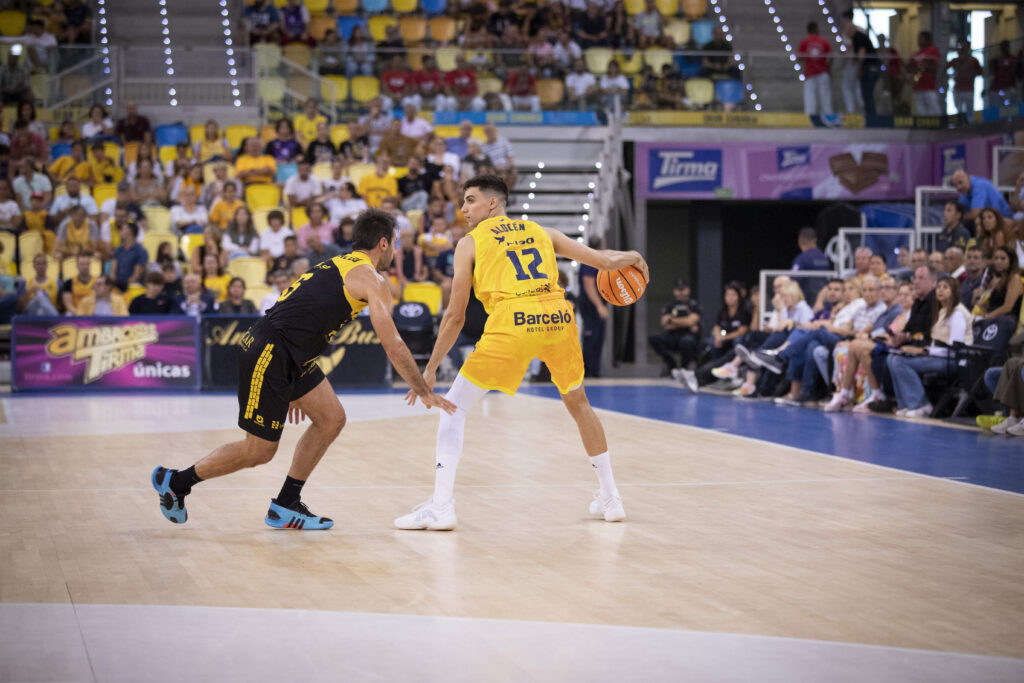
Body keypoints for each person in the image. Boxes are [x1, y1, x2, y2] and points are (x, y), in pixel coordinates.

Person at [153, 209, 456, 528]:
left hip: (290, 354)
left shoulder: (337, 263)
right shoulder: (371, 277)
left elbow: (302, 313)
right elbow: (392, 342)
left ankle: (285, 504)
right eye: (394, 244)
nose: (394, 252)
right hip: (270, 351)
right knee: (258, 451)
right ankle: (176, 483)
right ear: (383, 243)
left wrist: (292, 380)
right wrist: (424, 389)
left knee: (331, 418)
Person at [394, 175, 649, 530]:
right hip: (559, 318)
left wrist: (431, 368)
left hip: (514, 321)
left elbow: (455, 315)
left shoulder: (470, 243)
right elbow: (604, 263)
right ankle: (610, 497)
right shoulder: (543, 232)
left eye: (470, 200)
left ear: (492, 203)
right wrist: (633, 255)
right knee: (580, 405)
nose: (464, 209)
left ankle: (441, 506)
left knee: (453, 409)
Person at [887, 277, 972, 417]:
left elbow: (954, 347)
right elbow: (937, 342)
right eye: (939, 287)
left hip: (953, 360)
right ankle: (905, 404)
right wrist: (922, 351)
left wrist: (923, 351)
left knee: (899, 362)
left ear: (954, 291)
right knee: (892, 358)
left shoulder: (957, 313)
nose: (940, 290)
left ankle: (921, 404)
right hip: (939, 356)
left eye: (945, 287)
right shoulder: (942, 311)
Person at [577, 237, 608, 377]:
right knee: (592, 338)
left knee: (597, 338)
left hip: (592, 305)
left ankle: (594, 371)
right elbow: (588, 284)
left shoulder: (593, 259)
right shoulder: (591, 260)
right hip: (590, 306)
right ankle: (589, 371)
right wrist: (599, 305)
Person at [842, 12, 879, 116]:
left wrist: (859, 69)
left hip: (870, 67)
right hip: (872, 67)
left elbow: (861, 54)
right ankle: (869, 115)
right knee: (866, 93)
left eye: (846, 31)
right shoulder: (859, 37)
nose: (846, 34)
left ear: (851, 29)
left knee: (867, 93)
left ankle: (871, 118)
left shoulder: (857, 37)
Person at [975, 246, 1022, 321]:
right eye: (996, 258)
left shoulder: (1015, 279)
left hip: (1007, 321)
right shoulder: (997, 280)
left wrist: (986, 317)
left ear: (1011, 261)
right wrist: (979, 301)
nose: (998, 261)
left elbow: (1007, 308)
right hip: (993, 318)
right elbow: (990, 307)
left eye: (1003, 259)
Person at [798, 22, 833, 116]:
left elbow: (799, 57)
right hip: (823, 72)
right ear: (817, 29)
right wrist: (827, 67)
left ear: (808, 30)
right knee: (825, 97)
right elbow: (830, 57)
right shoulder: (824, 41)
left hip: (810, 73)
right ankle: (828, 117)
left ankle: (810, 118)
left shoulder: (804, 42)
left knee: (810, 98)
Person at [908, 31, 941, 116]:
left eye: (921, 38)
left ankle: (937, 127)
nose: (919, 40)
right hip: (917, 86)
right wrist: (916, 67)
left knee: (933, 109)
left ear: (927, 39)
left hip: (929, 86)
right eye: (918, 38)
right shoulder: (915, 54)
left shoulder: (932, 50)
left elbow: (934, 65)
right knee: (921, 111)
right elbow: (910, 67)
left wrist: (923, 66)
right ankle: (925, 129)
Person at [110, 221, 148, 291]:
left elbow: (136, 275)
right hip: (117, 286)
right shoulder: (118, 250)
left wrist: (124, 287)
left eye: (123, 229)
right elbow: (113, 271)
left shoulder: (140, 251)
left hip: (133, 287)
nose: (120, 231)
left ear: (129, 231)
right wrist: (114, 285)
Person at [18, 252, 59, 316]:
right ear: (34, 266)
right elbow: (20, 308)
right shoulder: (25, 283)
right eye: (38, 264)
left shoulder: (56, 283)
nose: (41, 266)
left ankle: (42, 298)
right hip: (32, 313)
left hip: (49, 314)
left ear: (47, 265)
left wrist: (46, 299)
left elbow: (60, 306)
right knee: (39, 298)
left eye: (43, 263)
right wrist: (30, 291)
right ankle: (40, 298)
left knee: (41, 307)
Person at [948, 42, 981, 120]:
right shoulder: (955, 61)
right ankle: (960, 123)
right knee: (958, 109)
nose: (962, 50)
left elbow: (980, 72)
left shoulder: (973, 60)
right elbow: (945, 70)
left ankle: (970, 124)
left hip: (969, 89)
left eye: (964, 48)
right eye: (961, 48)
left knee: (969, 110)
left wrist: (969, 74)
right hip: (957, 89)